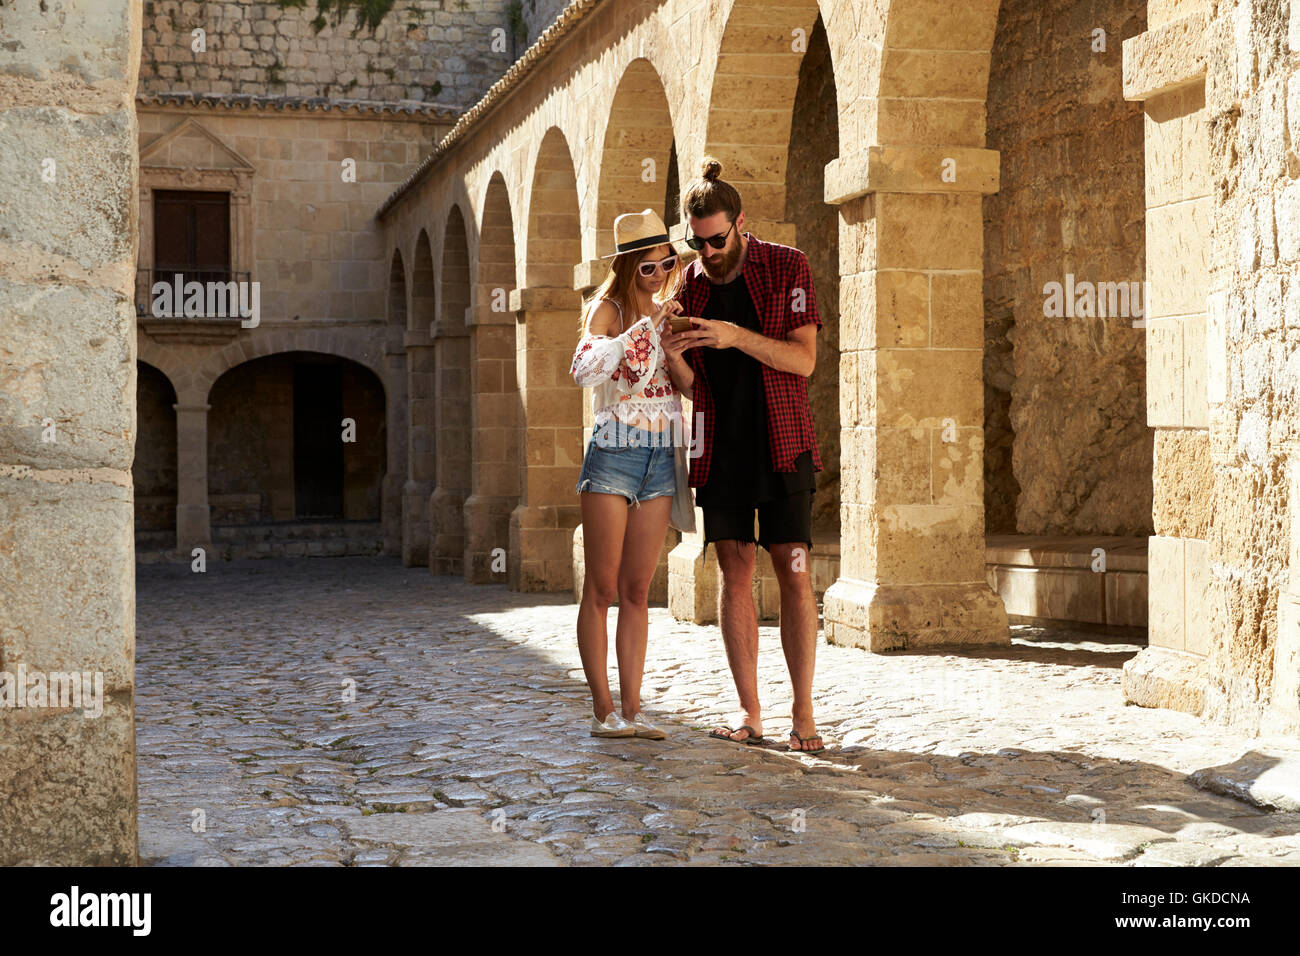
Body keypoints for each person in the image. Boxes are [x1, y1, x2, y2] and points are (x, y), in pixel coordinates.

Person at [659, 158, 826, 754]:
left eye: (717, 239)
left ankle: (803, 716)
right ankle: (750, 714)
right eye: (697, 242)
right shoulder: (688, 284)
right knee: (734, 572)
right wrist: (673, 348)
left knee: (794, 572)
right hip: (718, 449)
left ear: (741, 224)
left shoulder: (788, 266)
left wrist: (734, 336)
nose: (706, 252)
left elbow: (802, 361)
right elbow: (687, 384)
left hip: (782, 442)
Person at [569, 208, 691, 739]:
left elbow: (684, 386)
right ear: (626, 267)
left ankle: (635, 711)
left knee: (639, 590)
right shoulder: (608, 308)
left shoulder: (667, 311)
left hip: (661, 455)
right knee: (601, 590)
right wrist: (644, 329)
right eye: (649, 267)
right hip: (614, 451)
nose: (660, 273)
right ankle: (603, 712)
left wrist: (669, 342)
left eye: (666, 263)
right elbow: (583, 369)